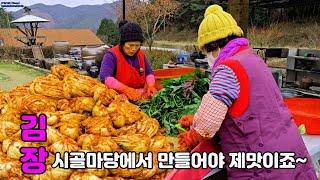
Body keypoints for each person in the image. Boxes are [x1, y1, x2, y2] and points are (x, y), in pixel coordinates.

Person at [166, 4, 317, 180]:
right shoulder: (252, 58)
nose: (207, 58)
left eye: (205, 52)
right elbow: (251, 107)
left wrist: (191, 136)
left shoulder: (228, 68)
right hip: (290, 153)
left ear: (213, 47)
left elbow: (206, 125)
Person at [99, 21, 157, 101]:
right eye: (130, 45)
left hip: (139, 97)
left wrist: (151, 85)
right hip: (118, 99)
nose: (133, 49)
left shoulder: (140, 54)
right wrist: (126, 90)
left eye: (137, 45)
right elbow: (105, 78)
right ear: (123, 43)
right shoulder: (111, 55)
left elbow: (149, 73)